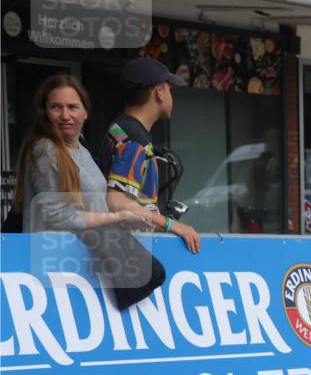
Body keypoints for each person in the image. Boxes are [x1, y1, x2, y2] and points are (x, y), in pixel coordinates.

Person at [11, 74, 152, 233]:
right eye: (55, 107)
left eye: (72, 107)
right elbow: (58, 217)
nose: (65, 115)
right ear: (44, 112)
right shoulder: (46, 149)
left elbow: (95, 210)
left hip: (91, 247)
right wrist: (119, 217)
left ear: (85, 112)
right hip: (54, 248)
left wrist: (130, 216)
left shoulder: (82, 150)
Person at [100, 57, 202, 252]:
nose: (171, 96)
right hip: (129, 250)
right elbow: (117, 201)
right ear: (159, 92)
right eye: (170, 89)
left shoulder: (122, 129)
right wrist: (172, 225)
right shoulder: (134, 140)